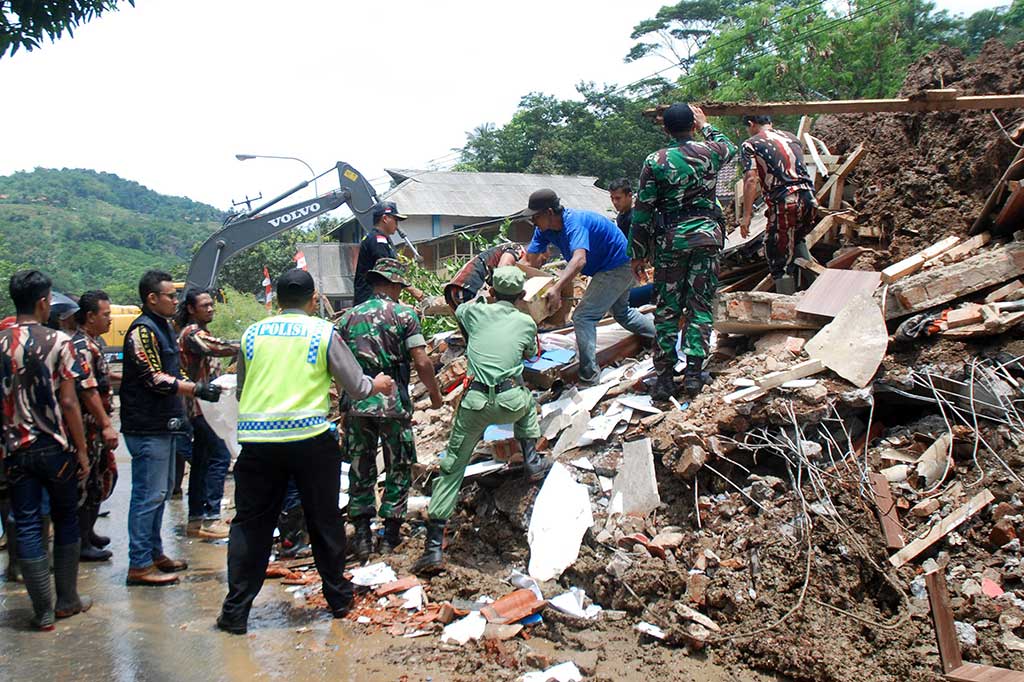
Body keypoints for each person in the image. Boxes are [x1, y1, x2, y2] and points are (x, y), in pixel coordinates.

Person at [217, 269, 394, 634]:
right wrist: (378, 383)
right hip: (310, 439)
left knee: (250, 526)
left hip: (258, 443)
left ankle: (235, 612)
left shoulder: (252, 334)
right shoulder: (322, 332)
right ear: (314, 298)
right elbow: (357, 386)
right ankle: (339, 600)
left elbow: (242, 389)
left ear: (277, 301)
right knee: (324, 520)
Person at [413, 267, 550, 575]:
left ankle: (434, 549)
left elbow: (459, 307)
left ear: (492, 291)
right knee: (527, 403)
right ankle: (531, 461)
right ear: (520, 295)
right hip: (509, 401)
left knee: (452, 468)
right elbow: (531, 354)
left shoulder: (474, 314)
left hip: (474, 404)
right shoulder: (526, 322)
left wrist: (481, 299)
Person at [0, 270, 92, 629]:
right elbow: (69, 403)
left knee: (25, 523)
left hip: (17, 450)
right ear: (43, 302)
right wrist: (82, 451)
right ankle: (68, 599)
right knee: (66, 518)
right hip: (56, 448)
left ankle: (42, 612)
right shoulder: (59, 342)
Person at [629, 103, 737, 400]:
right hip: (707, 238)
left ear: (666, 129)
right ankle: (693, 374)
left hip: (672, 242)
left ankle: (664, 377)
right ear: (693, 124)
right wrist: (707, 126)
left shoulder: (656, 160)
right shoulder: (711, 151)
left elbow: (643, 211)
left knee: (668, 309)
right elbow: (730, 146)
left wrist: (637, 252)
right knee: (700, 306)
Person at [121, 270, 222, 586]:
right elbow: (153, 377)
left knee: (160, 493)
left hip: (164, 423)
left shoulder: (163, 328)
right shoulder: (142, 332)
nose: (175, 301)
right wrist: (194, 389)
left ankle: (154, 553)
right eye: (170, 296)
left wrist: (194, 386)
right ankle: (139, 563)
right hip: (146, 425)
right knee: (147, 495)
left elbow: (172, 370)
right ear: (152, 298)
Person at [338, 258, 443, 561]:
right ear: (396, 284)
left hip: (358, 403)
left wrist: (344, 403)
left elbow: (339, 367)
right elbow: (421, 360)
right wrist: (435, 396)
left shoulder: (347, 318)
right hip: (393, 404)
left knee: (361, 468)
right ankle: (390, 535)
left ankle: (361, 537)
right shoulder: (404, 314)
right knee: (397, 466)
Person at [522, 189, 655, 385]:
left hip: (619, 265)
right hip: (606, 268)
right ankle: (661, 339)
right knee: (622, 312)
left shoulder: (574, 223)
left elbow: (579, 260)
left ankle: (589, 377)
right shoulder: (544, 230)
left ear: (549, 212)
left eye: (535, 216)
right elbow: (529, 260)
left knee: (583, 316)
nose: (533, 221)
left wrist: (557, 288)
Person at [176, 289, 239, 540]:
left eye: (212, 304)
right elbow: (217, 348)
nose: (210, 309)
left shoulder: (197, 333)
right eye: (205, 305)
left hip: (204, 409)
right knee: (219, 458)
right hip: (201, 409)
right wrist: (246, 343)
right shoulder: (192, 334)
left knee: (202, 463)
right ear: (191, 309)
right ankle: (211, 517)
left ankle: (196, 520)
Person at [738, 114, 817, 295]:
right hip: (809, 199)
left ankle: (786, 306)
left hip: (785, 202)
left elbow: (751, 179)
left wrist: (746, 216)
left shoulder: (751, 144)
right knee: (797, 242)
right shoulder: (792, 137)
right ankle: (818, 296)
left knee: (778, 256)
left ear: (751, 124)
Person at [70, 291, 120, 562]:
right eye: (106, 315)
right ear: (90, 317)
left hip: (95, 425)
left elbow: (100, 376)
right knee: (88, 483)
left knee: (101, 477)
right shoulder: (81, 346)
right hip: (89, 426)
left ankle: (88, 533)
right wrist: (105, 425)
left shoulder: (94, 343)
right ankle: (81, 541)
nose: (110, 320)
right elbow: (88, 389)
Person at [353, 201, 423, 306]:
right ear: (385, 218)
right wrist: (413, 290)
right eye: (395, 220)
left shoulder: (381, 240)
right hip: (370, 302)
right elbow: (389, 272)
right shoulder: (378, 241)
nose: (397, 225)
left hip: (378, 300)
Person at [443, 242, 526, 311]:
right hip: (470, 286)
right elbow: (503, 268)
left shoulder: (504, 248)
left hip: (454, 289)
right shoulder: (517, 249)